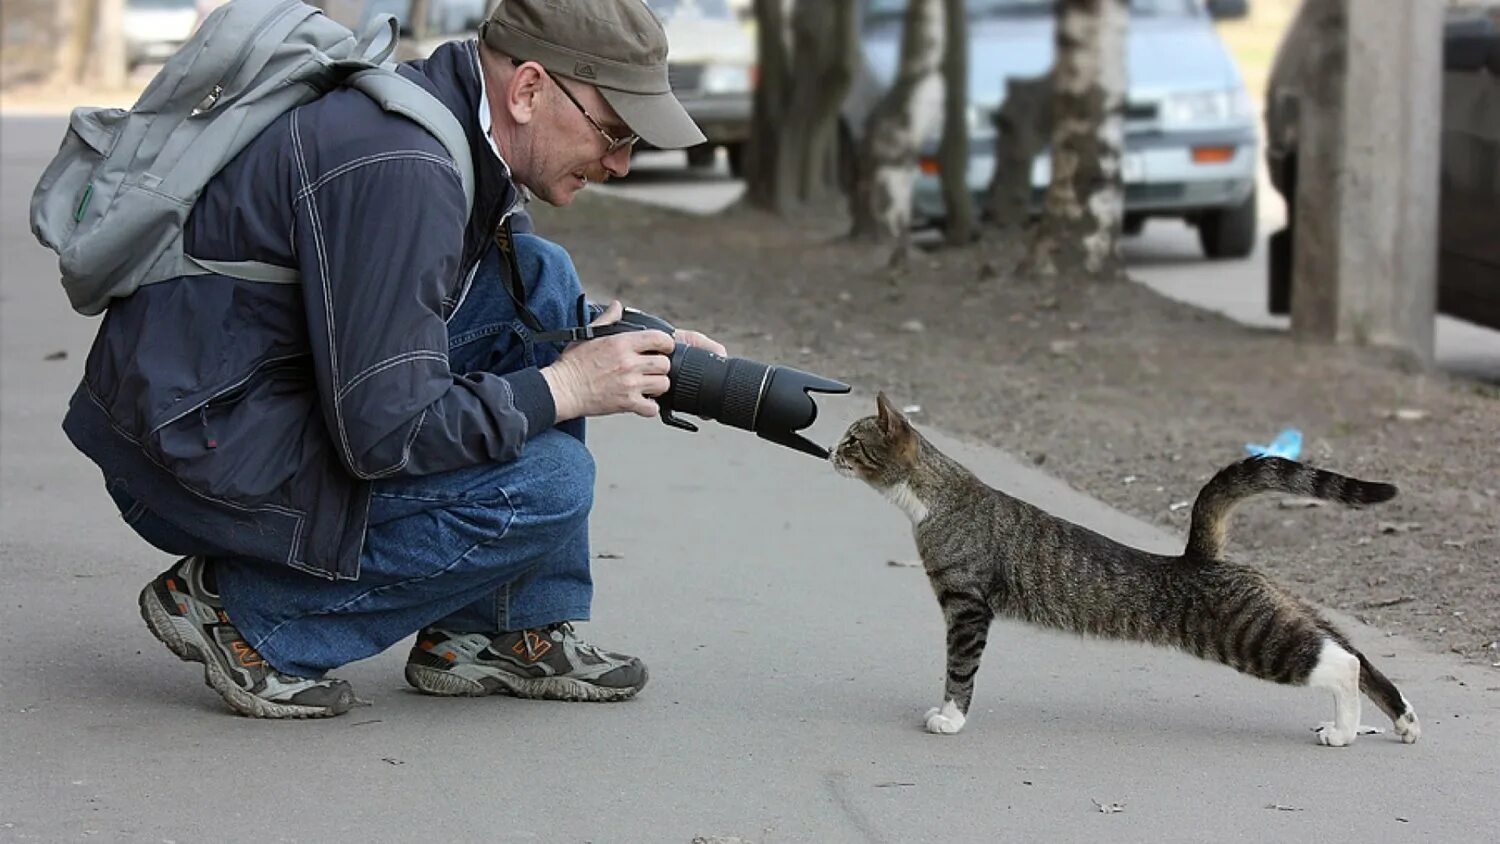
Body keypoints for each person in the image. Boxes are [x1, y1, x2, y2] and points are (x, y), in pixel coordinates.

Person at [63, 0, 725, 718]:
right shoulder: (402, 167)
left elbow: (439, 318)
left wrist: (610, 347)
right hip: (196, 450)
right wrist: (567, 385)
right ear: (529, 90)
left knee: (541, 279)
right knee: (546, 485)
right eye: (614, 131)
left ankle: (494, 631)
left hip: (236, 392)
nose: (623, 164)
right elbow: (386, 432)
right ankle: (247, 614)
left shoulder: (447, 124)